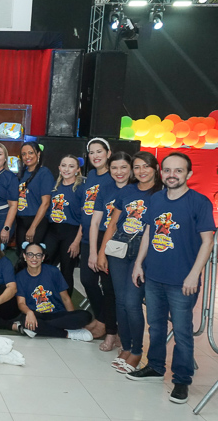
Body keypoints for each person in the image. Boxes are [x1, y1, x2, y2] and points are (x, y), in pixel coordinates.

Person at [127, 152, 215, 405]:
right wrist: (139, 263)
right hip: (154, 277)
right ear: (161, 172)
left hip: (182, 281)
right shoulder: (155, 199)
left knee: (182, 332)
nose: (172, 175)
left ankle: (182, 380)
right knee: (155, 326)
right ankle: (155, 367)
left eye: (178, 170)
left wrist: (194, 275)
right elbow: (148, 231)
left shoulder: (199, 202)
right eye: (167, 170)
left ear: (189, 174)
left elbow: (207, 241)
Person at [97, 151, 162, 373]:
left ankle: (136, 350)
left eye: (146, 166)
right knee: (121, 302)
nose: (141, 171)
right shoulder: (127, 191)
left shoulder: (161, 194)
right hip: (119, 249)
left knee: (133, 303)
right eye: (137, 167)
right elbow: (113, 224)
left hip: (143, 253)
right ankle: (125, 346)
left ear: (155, 168)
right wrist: (102, 252)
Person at [90, 151, 132, 352]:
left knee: (125, 295)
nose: (119, 172)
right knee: (109, 291)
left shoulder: (137, 190)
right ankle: (111, 332)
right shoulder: (105, 189)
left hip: (129, 244)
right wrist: (96, 252)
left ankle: (126, 335)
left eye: (124, 167)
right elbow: (96, 221)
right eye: (114, 167)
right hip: (106, 243)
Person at [14, 242, 93, 341]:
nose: (34, 258)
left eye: (38, 255)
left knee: (86, 316)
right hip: (37, 315)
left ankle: (37, 328)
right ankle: (67, 334)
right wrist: (29, 312)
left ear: (43, 257)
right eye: (30, 254)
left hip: (57, 314)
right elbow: (21, 303)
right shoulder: (19, 277)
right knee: (25, 319)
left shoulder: (53, 271)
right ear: (24, 256)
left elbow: (65, 298)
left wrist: (72, 318)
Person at [79, 137, 113, 340]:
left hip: (105, 235)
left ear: (108, 153)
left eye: (99, 151)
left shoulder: (114, 177)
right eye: (91, 152)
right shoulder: (91, 175)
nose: (95, 156)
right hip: (88, 234)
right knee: (87, 279)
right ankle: (102, 319)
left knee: (107, 285)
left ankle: (105, 323)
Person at [44, 155, 84, 296]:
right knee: (44, 264)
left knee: (66, 270)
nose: (67, 169)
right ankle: (46, 299)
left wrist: (77, 242)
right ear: (59, 168)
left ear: (77, 170)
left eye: (71, 166)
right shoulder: (54, 187)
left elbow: (85, 218)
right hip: (53, 230)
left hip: (72, 232)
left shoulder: (81, 189)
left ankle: (66, 305)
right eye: (64, 165)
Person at [15, 142, 53, 255]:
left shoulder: (44, 173)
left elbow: (45, 203)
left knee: (33, 255)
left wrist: (33, 227)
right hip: (21, 220)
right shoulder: (22, 174)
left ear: (38, 154)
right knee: (21, 255)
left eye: (31, 153)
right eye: (24, 154)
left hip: (37, 221)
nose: (27, 156)